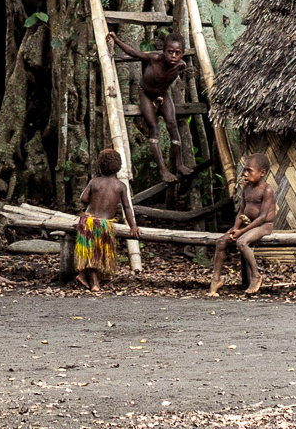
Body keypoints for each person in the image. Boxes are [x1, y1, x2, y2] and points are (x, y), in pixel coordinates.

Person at [112, 30, 196, 180]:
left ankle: (179, 165)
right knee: (154, 128)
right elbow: (133, 53)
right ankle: (163, 171)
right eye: (170, 52)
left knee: (172, 124)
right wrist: (116, 39)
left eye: (177, 53)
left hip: (163, 93)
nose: (173, 56)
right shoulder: (155, 59)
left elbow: (186, 72)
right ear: (163, 52)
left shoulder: (180, 65)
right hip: (146, 93)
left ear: (182, 54)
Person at [208, 153, 278, 297]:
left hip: (263, 226)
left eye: (249, 171)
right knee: (221, 242)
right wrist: (235, 228)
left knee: (242, 242)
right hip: (247, 224)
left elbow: (263, 217)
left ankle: (256, 275)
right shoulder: (246, 188)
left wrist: (242, 232)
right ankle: (216, 280)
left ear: (262, 173)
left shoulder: (267, 190)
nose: (245, 174)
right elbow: (241, 211)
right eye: (244, 170)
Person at [73, 147, 140, 294]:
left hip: (88, 221)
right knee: (97, 253)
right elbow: (127, 208)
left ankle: (83, 275)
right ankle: (95, 283)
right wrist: (133, 226)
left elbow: (83, 198)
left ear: (100, 166)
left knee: (90, 251)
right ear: (118, 167)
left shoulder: (94, 181)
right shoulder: (120, 186)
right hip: (104, 225)